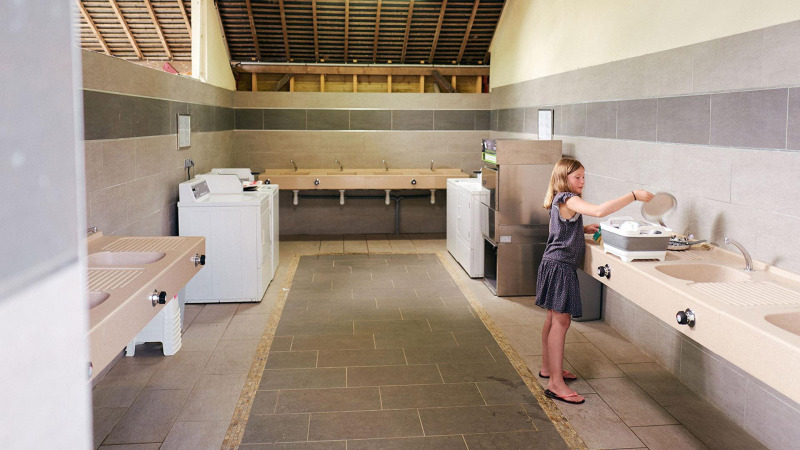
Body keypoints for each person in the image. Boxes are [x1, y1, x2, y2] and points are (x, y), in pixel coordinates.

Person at [536, 157, 653, 404]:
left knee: (552, 319)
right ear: (563, 178)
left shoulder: (558, 198)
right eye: (577, 177)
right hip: (561, 268)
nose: (582, 181)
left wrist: (581, 229)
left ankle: (548, 368)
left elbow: (561, 229)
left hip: (551, 264)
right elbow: (600, 210)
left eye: (584, 177)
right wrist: (633, 195)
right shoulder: (569, 198)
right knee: (561, 322)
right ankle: (555, 384)